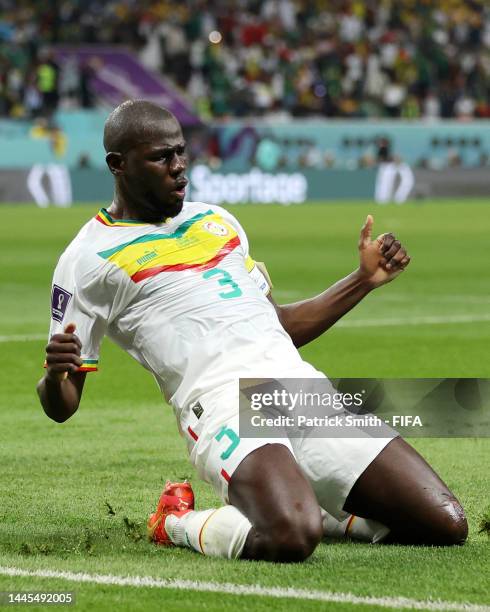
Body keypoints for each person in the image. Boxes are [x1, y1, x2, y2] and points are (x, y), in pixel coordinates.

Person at [37, 100, 467, 563]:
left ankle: (322, 511)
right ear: (117, 165)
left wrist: (362, 280)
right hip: (222, 403)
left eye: (181, 152)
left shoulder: (217, 221)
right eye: (162, 157)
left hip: (300, 389)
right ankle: (175, 521)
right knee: (290, 537)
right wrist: (57, 377)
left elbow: (279, 326)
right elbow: (62, 406)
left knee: (444, 524)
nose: (179, 167)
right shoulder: (87, 260)